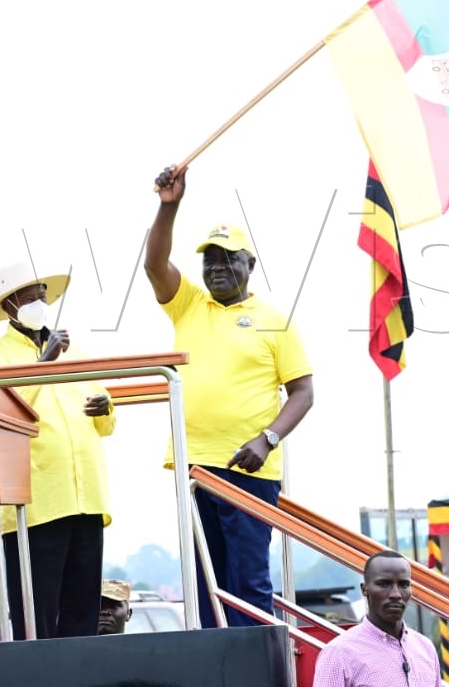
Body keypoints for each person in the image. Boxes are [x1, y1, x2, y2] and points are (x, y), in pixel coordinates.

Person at [146, 164, 314, 628]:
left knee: (247, 582)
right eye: (210, 260)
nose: (217, 267)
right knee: (207, 583)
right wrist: (169, 206)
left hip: (247, 467)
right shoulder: (189, 305)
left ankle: (257, 661)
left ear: (250, 265)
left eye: (228, 258)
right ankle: (216, 662)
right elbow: (155, 264)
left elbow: (303, 392)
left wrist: (268, 439)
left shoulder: (275, 320)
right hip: (196, 464)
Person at [0, 260, 115, 640]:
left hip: (86, 498)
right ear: (8, 304)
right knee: (35, 617)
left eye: (41, 294)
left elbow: (107, 423)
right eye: (28, 295)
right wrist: (43, 364)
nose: (38, 301)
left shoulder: (76, 350)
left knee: (82, 612)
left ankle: (82, 671)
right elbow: (1, 411)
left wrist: (107, 407)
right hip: (34, 506)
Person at [312, 550, 438, 686]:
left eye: (404, 585)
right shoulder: (338, 653)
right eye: (384, 584)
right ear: (364, 589)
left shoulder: (425, 648)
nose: (396, 594)